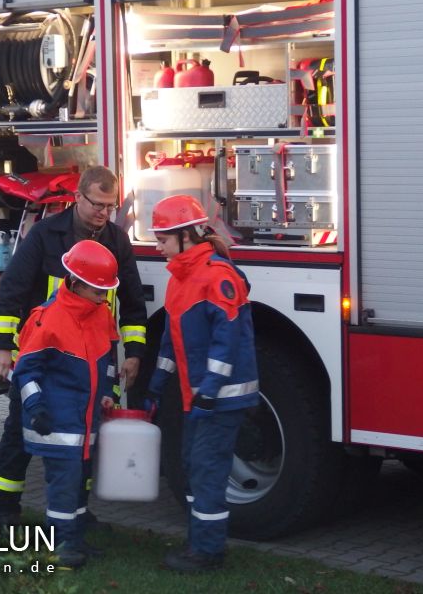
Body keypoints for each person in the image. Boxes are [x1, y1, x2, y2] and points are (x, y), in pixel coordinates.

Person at [0, 165, 147, 530]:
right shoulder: (46, 235)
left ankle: (77, 509)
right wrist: (1, 347)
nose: (104, 213)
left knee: (84, 438)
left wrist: (135, 352)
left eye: (110, 206)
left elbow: (134, 303)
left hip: (88, 360)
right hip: (45, 354)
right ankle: (4, 508)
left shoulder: (117, 241)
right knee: (20, 429)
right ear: (77, 197)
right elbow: (11, 291)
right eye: (97, 204)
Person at [145, 195, 259, 573]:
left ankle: (207, 553)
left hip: (220, 399)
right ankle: (200, 540)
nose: (158, 246)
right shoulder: (180, 279)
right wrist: (158, 382)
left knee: (208, 470)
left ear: (185, 235)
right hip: (200, 398)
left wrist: (210, 388)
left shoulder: (217, 275)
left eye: (163, 239)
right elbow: (169, 339)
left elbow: (228, 341)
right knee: (194, 466)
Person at [12, 240, 120, 568]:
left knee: (78, 485)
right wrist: (36, 409)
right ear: (76, 282)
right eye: (98, 291)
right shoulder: (48, 319)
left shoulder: (99, 314)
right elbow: (25, 372)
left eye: (105, 292)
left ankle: (73, 540)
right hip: (56, 423)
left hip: (84, 422)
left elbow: (108, 360)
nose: (104, 298)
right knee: (63, 487)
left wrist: (109, 391)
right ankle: (57, 547)